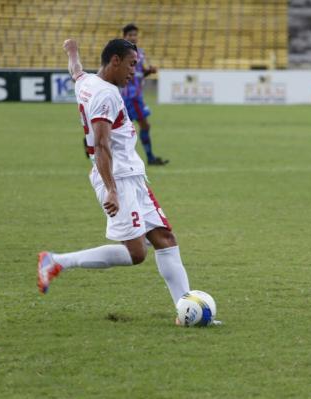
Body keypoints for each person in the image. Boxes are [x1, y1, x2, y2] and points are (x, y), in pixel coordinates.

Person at [37, 39, 198, 325]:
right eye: (132, 64)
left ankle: (186, 310)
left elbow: (75, 71)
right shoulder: (107, 95)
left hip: (132, 176)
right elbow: (101, 145)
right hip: (118, 178)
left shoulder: (86, 82)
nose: (134, 72)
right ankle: (57, 261)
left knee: (164, 239)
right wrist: (111, 189)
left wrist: (72, 50)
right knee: (136, 253)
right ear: (114, 61)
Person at [121, 23, 168, 166]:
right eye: (130, 35)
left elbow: (139, 74)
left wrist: (149, 71)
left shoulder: (140, 52)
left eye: (135, 35)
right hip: (130, 96)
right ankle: (149, 158)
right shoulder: (121, 52)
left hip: (136, 96)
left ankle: (148, 158)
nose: (133, 37)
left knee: (125, 127)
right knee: (140, 126)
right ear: (124, 37)